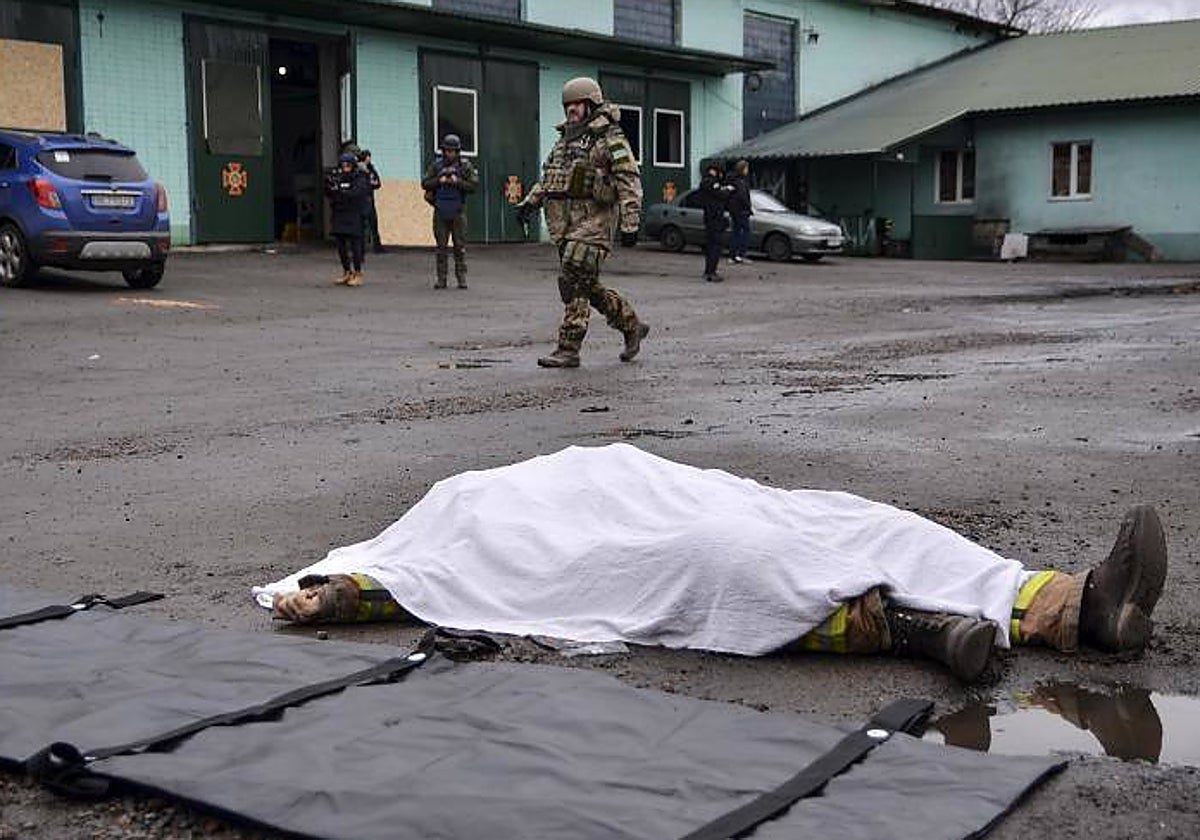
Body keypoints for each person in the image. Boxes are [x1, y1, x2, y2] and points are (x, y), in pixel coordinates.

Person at [257, 444, 1168, 684]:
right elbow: (410, 581)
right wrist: (333, 595)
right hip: (642, 547)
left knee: (859, 518)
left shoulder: (516, 479)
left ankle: (1070, 604)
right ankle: (924, 633)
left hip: (663, 494)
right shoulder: (444, 526)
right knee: (737, 560)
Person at [517, 77, 650, 368]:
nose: (571, 110)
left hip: (596, 223)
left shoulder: (609, 139)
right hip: (565, 225)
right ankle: (631, 325)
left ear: (590, 103)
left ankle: (569, 348)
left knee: (572, 278)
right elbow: (551, 178)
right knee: (588, 287)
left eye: (576, 104)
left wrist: (631, 222)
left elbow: (629, 180)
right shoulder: (564, 141)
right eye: (568, 104)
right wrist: (530, 202)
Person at [420, 134, 478, 289]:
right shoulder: (437, 166)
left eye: (453, 151)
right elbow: (425, 183)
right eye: (447, 151)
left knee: (459, 246)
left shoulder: (465, 166)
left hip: (458, 211)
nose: (450, 154)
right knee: (441, 247)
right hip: (440, 210)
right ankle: (441, 279)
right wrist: (439, 180)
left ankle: (461, 278)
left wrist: (457, 181)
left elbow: (473, 185)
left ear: (458, 151)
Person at [325, 151, 371, 287]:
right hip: (339, 214)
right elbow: (330, 193)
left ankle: (358, 273)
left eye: (348, 165)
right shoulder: (338, 177)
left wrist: (341, 191)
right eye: (343, 165)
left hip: (354, 215)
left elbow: (356, 193)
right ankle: (347, 271)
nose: (345, 168)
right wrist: (333, 189)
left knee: (355, 245)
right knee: (341, 245)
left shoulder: (360, 177)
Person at [697, 162, 733, 282]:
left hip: (710, 217)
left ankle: (709, 270)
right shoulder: (710, 182)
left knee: (711, 245)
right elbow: (721, 195)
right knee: (716, 246)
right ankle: (711, 272)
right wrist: (727, 190)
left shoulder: (705, 182)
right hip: (714, 218)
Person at [726, 159, 753, 264]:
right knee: (746, 231)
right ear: (742, 169)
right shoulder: (741, 181)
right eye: (746, 168)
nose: (747, 171)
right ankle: (741, 254)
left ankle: (733, 255)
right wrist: (748, 207)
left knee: (736, 232)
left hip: (734, 210)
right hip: (741, 210)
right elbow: (743, 195)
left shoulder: (733, 179)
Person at [361, 150, 385, 254]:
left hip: (369, 198)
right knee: (365, 224)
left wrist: (372, 183)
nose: (369, 159)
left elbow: (377, 183)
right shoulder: (360, 169)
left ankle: (377, 246)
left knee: (373, 223)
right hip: (364, 199)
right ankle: (363, 247)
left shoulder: (371, 168)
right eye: (368, 157)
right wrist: (371, 183)